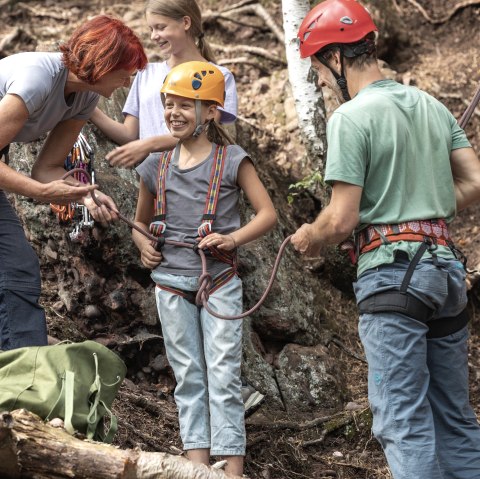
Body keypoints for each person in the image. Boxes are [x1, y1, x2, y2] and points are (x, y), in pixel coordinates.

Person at [291, 1, 480, 478]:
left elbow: (340, 220)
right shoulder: (432, 106)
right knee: (455, 419)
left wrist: (311, 237)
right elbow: (475, 182)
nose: (317, 82)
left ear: (335, 59)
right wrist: (423, 206)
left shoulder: (351, 119)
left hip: (393, 278)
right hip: (445, 272)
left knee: (403, 422)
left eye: (316, 69)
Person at [132, 61, 277, 476]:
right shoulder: (156, 165)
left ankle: (231, 468)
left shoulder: (232, 160)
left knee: (223, 373)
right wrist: (143, 245)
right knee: (188, 375)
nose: (173, 112)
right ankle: (198, 467)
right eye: (168, 104)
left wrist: (232, 239)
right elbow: (140, 225)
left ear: (211, 111)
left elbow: (266, 214)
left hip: (219, 282)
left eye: (185, 105)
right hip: (170, 284)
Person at [0, 15, 147, 351]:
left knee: (17, 266)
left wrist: (86, 196)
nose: (127, 82)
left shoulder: (86, 98)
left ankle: (24, 366)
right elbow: (39, 185)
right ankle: (23, 363)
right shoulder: (38, 79)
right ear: (103, 62)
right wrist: (39, 193)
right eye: (126, 70)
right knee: (13, 266)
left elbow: (47, 168)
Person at [90, 0, 237, 168]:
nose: (153, 36)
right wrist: (87, 109)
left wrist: (149, 144)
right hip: (152, 180)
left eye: (161, 27)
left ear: (186, 22)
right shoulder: (146, 73)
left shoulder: (219, 76)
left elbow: (205, 132)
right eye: (151, 29)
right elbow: (130, 135)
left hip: (196, 180)